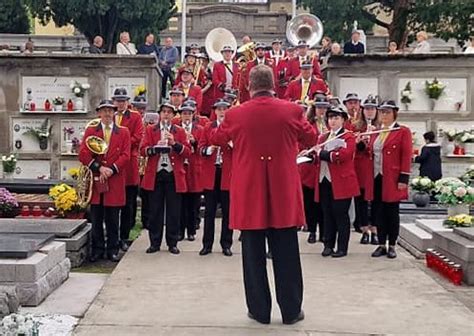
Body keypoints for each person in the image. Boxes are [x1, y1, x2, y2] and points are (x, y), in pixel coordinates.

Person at [210, 65, 316, 325]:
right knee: (287, 253)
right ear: (274, 86)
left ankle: (259, 311)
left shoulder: (236, 114)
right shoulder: (292, 110)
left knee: (252, 256)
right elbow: (311, 138)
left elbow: (215, 137)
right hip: (284, 193)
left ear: (249, 87)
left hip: (249, 193)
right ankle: (291, 311)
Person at [79, 100, 131, 262]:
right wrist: (99, 168)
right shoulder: (91, 131)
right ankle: (97, 249)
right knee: (96, 217)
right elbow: (83, 154)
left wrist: (111, 169)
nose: (107, 114)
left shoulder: (123, 132)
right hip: (96, 179)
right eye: (104, 111)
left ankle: (113, 249)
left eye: (110, 111)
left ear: (114, 113)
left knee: (113, 218)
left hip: (114, 179)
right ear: (99, 113)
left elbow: (126, 155)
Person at [363, 100, 412, 259]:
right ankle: (381, 244)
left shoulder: (402, 131)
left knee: (392, 212)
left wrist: (403, 177)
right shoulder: (375, 132)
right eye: (382, 112)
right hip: (376, 177)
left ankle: (392, 244)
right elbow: (369, 152)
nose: (384, 115)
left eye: (387, 112)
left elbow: (406, 155)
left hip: (392, 178)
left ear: (394, 114)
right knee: (378, 212)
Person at [140, 101, 191, 255]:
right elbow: (143, 150)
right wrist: (154, 148)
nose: (166, 115)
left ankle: (172, 242)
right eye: (164, 112)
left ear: (173, 115)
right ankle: (154, 243)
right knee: (155, 211)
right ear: (159, 114)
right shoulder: (150, 130)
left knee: (173, 211)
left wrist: (174, 143)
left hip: (173, 175)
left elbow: (187, 152)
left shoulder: (179, 131)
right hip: (155, 174)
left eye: (169, 112)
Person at [313, 107, 360, 258]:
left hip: (342, 182)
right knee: (326, 214)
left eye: (336, 118)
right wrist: (311, 156)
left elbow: (343, 156)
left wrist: (323, 154)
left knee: (340, 214)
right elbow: (318, 158)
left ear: (343, 120)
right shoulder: (323, 137)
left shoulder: (348, 137)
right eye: (331, 118)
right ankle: (328, 245)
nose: (333, 121)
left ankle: (342, 247)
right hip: (324, 180)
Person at [198, 99, 234, 257]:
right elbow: (200, 148)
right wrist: (208, 150)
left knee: (228, 212)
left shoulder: (233, 127)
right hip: (212, 173)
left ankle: (226, 244)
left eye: (224, 109)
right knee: (209, 212)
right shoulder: (208, 127)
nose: (221, 112)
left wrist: (232, 145)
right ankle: (207, 244)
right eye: (219, 109)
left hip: (227, 173)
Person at [112, 88, 144, 252]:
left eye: (123, 100)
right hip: (112, 164)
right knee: (112, 203)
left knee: (128, 203)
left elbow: (138, 137)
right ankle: (112, 236)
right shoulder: (108, 115)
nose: (120, 103)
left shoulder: (135, 116)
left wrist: (118, 145)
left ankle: (124, 236)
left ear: (127, 102)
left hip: (129, 164)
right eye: (118, 100)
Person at [299, 94, 329, 244]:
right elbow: (301, 143)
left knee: (324, 202)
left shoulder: (331, 125)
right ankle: (311, 230)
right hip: (310, 167)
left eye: (324, 107)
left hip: (325, 166)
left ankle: (324, 232)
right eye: (319, 107)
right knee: (310, 202)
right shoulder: (308, 124)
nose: (322, 110)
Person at [354, 96, 379, 245]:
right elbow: (354, 149)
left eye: (372, 109)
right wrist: (361, 141)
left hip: (375, 168)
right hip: (361, 169)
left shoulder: (382, 127)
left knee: (375, 200)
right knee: (361, 200)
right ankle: (364, 229)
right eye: (367, 109)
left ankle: (375, 229)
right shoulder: (357, 127)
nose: (369, 112)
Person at [178, 102, 203, 242]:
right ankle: (180, 230)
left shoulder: (199, 128)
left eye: (189, 113)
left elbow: (203, 146)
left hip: (194, 167)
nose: (186, 116)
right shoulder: (176, 128)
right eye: (184, 113)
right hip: (182, 166)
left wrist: (195, 141)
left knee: (194, 202)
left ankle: (192, 230)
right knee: (181, 202)